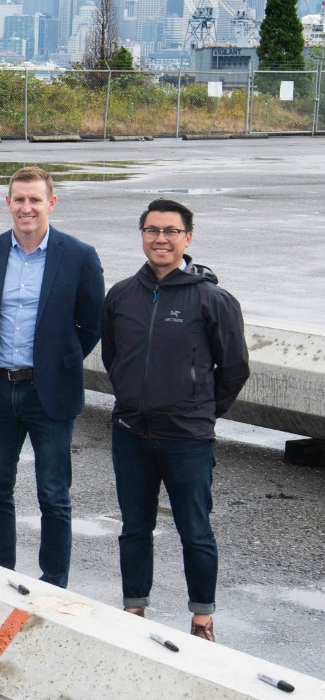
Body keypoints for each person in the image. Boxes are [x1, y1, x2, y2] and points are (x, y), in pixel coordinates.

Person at [102, 198, 249, 642]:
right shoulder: (122, 294)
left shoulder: (212, 298)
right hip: (130, 432)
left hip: (187, 437)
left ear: (187, 237)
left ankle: (201, 618)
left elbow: (235, 368)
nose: (160, 239)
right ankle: (133, 609)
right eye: (152, 230)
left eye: (170, 231)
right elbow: (114, 358)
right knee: (134, 527)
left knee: (195, 529)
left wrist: (200, 411)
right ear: (142, 235)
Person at [0, 166, 104, 587]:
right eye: (19, 199)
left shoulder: (79, 255)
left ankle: (53, 582)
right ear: (8, 202)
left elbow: (92, 324)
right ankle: (0, 573)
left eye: (35, 200)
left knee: (53, 495)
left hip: (50, 394)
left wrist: (56, 362)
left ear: (52, 203)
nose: (27, 208)